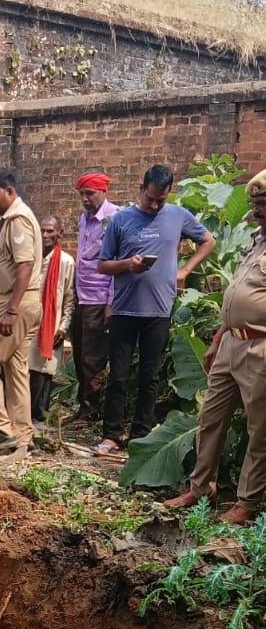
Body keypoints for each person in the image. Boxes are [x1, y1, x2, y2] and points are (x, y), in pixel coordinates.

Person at [164, 170, 266, 525]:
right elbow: (238, 292)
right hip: (230, 344)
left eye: (264, 204)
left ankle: (246, 504)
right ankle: (200, 487)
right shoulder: (256, 239)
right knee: (210, 419)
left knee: (259, 429)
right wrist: (220, 336)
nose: (259, 211)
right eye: (255, 205)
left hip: (260, 347)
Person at [95, 164, 216, 456]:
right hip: (125, 310)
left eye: (160, 200)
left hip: (159, 310)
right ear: (141, 189)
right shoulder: (121, 221)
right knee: (119, 376)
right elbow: (102, 264)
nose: (154, 204)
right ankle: (111, 435)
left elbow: (208, 240)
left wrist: (186, 269)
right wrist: (128, 265)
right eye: (150, 198)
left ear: (168, 194)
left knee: (150, 377)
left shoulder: (177, 216)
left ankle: (140, 435)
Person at [0, 168, 43, 455]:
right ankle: (23, 438)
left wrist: (10, 310)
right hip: (15, 301)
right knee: (15, 371)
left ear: (9, 191)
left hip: (16, 302)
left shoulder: (19, 220)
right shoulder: (11, 220)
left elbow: (25, 265)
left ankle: (0, 430)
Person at [70, 169, 119, 421]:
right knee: (79, 353)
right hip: (81, 295)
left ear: (103, 192)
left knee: (93, 357)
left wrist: (110, 303)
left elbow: (117, 263)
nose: (86, 198)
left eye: (90, 193)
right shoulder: (84, 218)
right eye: (82, 194)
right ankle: (83, 406)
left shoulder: (115, 218)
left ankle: (90, 411)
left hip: (99, 298)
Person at [28, 216, 76, 423]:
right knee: (21, 370)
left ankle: (38, 419)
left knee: (43, 372)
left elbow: (69, 297)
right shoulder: (31, 257)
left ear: (59, 234)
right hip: (26, 323)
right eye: (42, 231)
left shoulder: (66, 261)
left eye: (50, 231)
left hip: (50, 326)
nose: (45, 235)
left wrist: (64, 327)